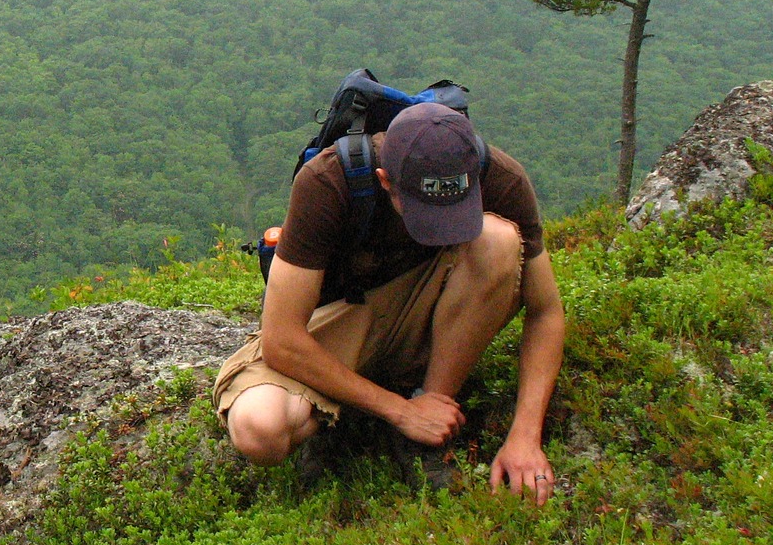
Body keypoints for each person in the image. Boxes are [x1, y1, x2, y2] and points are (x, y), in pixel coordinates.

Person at [213, 102, 564, 504]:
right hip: (345, 319)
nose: (439, 228)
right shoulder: (328, 182)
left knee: (498, 240)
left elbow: (546, 312)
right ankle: (362, 418)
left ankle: (431, 409)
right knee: (260, 430)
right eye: (424, 213)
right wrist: (398, 410)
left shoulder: (500, 178)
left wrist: (525, 436)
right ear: (384, 180)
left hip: (432, 311)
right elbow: (282, 339)